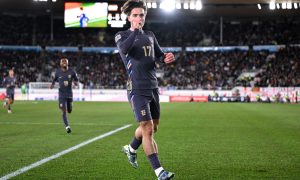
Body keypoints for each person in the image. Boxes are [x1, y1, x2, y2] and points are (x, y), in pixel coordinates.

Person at [115, 0, 175, 179]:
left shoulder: (150, 34)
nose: (139, 18)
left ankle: (131, 148)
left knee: (153, 127)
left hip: (153, 86)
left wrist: (166, 58)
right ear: (129, 17)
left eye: (141, 15)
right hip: (137, 87)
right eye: (135, 15)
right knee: (147, 129)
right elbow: (124, 49)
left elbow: (159, 55)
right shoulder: (121, 35)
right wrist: (134, 29)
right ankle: (160, 172)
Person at [50, 58, 79, 134]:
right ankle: (67, 127)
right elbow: (54, 79)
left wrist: (75, 83)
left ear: (67, 63)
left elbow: (76, 80)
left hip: (69, 94)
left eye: (65, 62)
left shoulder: (72, 71)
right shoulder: (58, 72)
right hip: (61, 94)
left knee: (69, 110)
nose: (64, 63)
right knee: (63, 110)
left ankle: (70, 105)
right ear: (60, 64)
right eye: (62, 62)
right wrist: (52, 85)